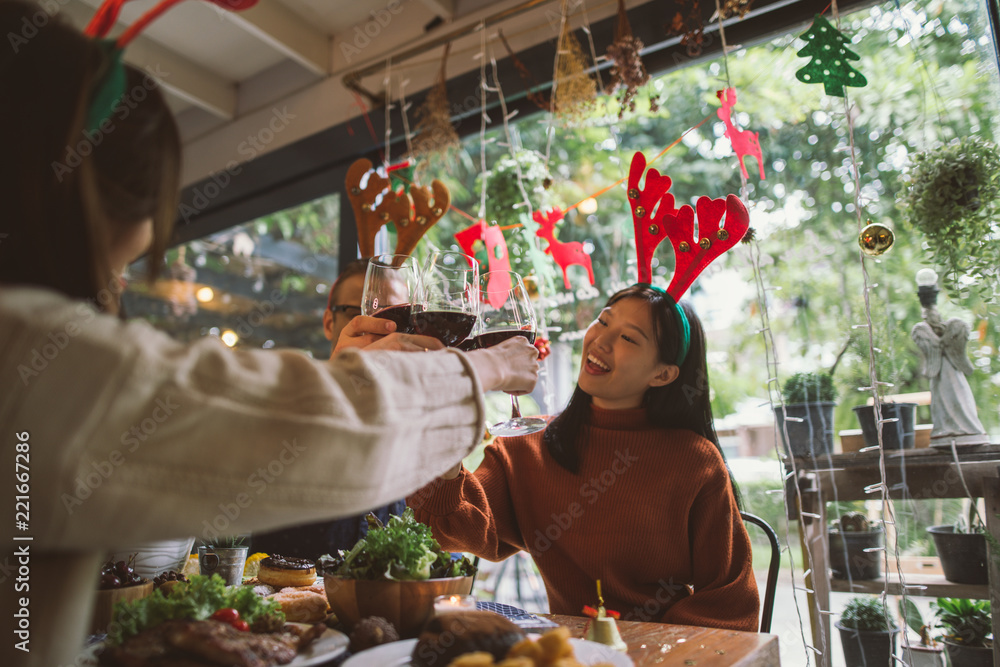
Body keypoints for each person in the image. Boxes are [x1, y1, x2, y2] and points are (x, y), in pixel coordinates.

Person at [0, 4, 537, 666]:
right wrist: (482, 370)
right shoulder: (28, 352)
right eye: (129, 254)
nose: (120, 281)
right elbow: (292, 429)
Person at [411, 285, 759, 631]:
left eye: (629, 339)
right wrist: (448, 437)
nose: (601, 342)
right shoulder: (526, 446)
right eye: (603, 321)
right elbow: (446, 527)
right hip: (568, 653)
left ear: (663, 374)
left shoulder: (694, 462)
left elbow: (728, 602)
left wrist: (649, 650)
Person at [251, 259, 408, 559]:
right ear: (328, 323)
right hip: (286, 594)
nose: (377, 325)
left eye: (393, 316)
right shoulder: (290, 394)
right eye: (357, 313)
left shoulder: (410, 415)